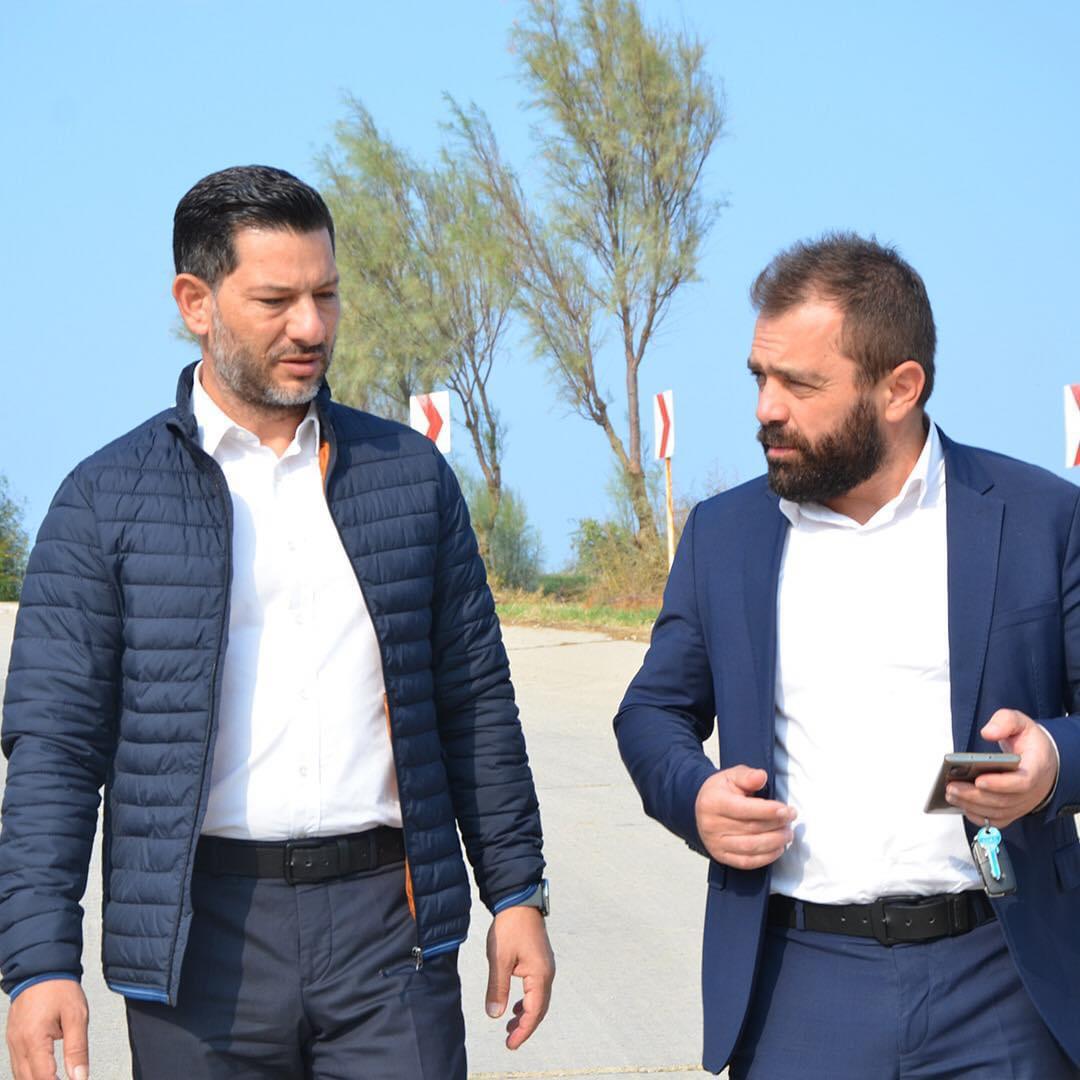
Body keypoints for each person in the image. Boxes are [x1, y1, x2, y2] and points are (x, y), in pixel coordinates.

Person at [0, 164, 554, 1080]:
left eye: (325, 295)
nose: (311, 327)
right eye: (276, 300)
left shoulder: (410, 479)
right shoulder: (103, 502)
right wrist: (38, 963)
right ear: (196, 301)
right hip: (198, 944)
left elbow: (475, 704)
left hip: (389, 934)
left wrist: (519, 893)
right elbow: (54, 749)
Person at [615, 233, 1080, 1078]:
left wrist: (1051, 761)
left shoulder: (1041, 518)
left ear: (900, 388)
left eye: (799, 384)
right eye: (759, 377)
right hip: (800, 986)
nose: (767, 408)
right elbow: (652, 712)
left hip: (1003, 980)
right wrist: (695, 797)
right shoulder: (725, 535)